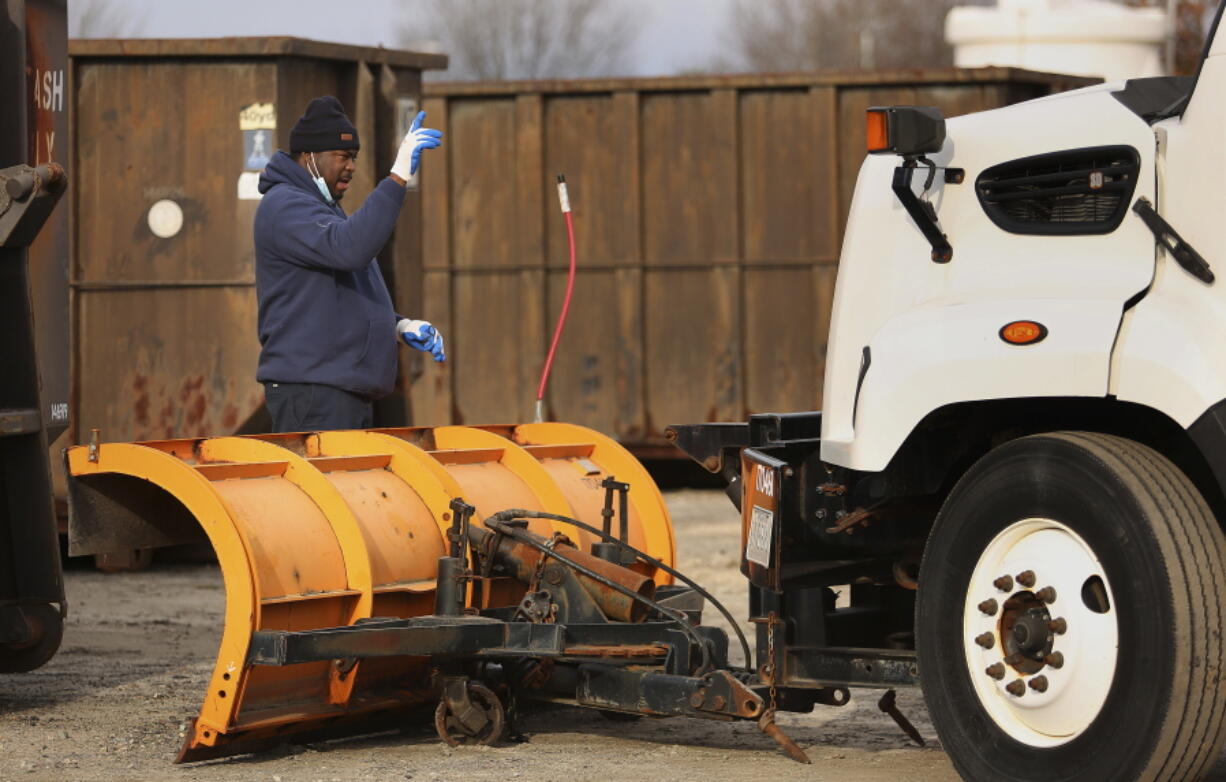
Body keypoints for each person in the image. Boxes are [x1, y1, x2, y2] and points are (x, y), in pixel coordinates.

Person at [253, 96, 444, 432]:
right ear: (310, 156)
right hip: (313, 395)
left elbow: (344, 288)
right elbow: (351, 249)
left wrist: (398, 327)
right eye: (342, 156)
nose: (352, 166)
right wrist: (398, 177)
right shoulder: (285, 207)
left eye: (354, 157)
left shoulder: (323, 210)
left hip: (337, 391)